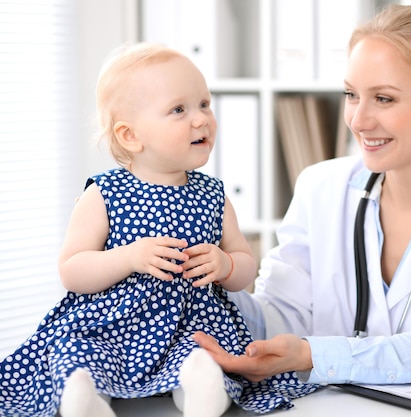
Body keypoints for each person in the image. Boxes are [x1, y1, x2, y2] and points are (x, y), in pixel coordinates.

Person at [195, 4, 411, 386]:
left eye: (384, 98)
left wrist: (316, 356)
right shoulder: (320, 188)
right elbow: (281, 317)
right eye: (351, 94)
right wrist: (207, 281)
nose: (359, 121)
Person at [0, 43, 317, 417]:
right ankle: (84, 396)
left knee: (205, 354)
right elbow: (72, 270)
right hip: (110, 328)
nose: (201, 119)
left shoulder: (213, 194)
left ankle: (201, 389)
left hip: (191, 326)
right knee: (75, 350)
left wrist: (227, 264)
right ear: (131, 136)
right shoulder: (104, 193)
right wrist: (128, 257)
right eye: (179, 110)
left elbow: (245, 266)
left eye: (204, 103)